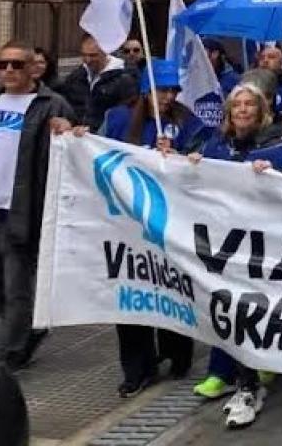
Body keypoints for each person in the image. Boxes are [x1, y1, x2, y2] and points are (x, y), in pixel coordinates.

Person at [188, 83, 282, 429]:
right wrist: (190, 165)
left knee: (255, 306)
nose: (242, 110)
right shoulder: (215, 146)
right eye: (236, 105)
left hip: (263, 245)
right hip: (224, 244)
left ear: (261, 110)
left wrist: (278, 175)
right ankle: (236, 377)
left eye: (249, 104)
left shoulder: (277, 146)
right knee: (228, 306)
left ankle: (252, 380)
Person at [98, 59, 209, 396]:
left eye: (173, 90)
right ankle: (137, 369)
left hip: (170, 222)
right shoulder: (117, 119)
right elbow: (95, 151)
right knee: (132, 293)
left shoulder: (187, 122)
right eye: (161, 90)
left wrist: (178, 156)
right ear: (146, 91)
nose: (168, 97)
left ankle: (177, 354)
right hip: (127, 224)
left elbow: (204, 161)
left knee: (171, 286)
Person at [0, 41, 74, 370]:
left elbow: (74, 149)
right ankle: (27, 329)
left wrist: (68, 131)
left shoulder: (51, 104)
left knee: (17, 283)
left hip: (23, 209)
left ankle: (12, 352)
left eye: (16, 64)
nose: (9, 70)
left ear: (33, 69)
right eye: (2, 64)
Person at [60, 34, 139, 130]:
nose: (88, 60)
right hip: (77, 135)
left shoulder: (125, 79)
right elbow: (67, 108)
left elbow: (126, 115)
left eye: (93, 55)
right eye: (84, 55)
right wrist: (67, 122)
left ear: (105, 52)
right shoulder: (75, 77)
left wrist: (94, 130)